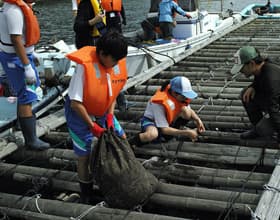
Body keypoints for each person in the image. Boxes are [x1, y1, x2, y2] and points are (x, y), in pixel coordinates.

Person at [64, 30, 128, 203]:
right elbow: (75, 103)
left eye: (118, 60)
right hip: (79, 114)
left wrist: (110, 116)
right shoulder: (84, 68)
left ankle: (116, 179)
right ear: (102, 53)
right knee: (84, 155)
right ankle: (86, 193)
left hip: (103, 111)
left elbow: (112, 94)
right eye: (113, 60)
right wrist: (92, 126)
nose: (116, 64)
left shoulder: (114, 64)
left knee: (121, 138)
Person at [0, 0, 50, 150]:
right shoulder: (13, 10)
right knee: (26, 95)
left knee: (26, 93)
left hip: (20, 56)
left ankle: (21, 125)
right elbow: (15, 39)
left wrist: (31, 52)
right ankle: (31, 140)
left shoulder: (10, 8)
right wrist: (27, 65)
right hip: (17, 60)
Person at [129, 76, 205, 147]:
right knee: (152, 134)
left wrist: (198, 120)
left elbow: (190, 111)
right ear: (175, 93)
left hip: (168, 121)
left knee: (187, 112)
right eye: (184, 96)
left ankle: (170, 135)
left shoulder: (179, 98)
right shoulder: (158, 103)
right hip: (152, 122)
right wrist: (186, 133)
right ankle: (131, 143)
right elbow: (164, 129)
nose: (186, 99)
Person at [231, 46, 280, 143]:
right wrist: (253, 86)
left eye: (241, 68)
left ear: (252, 64)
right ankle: (259, 126)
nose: (240, 72)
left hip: (276, 107)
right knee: (246, 93)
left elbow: (273, 108)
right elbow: (259, 78)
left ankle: (265, 130)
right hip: (275, 101)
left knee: (263, 129)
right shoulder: (264, 66)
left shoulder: (271, 80)